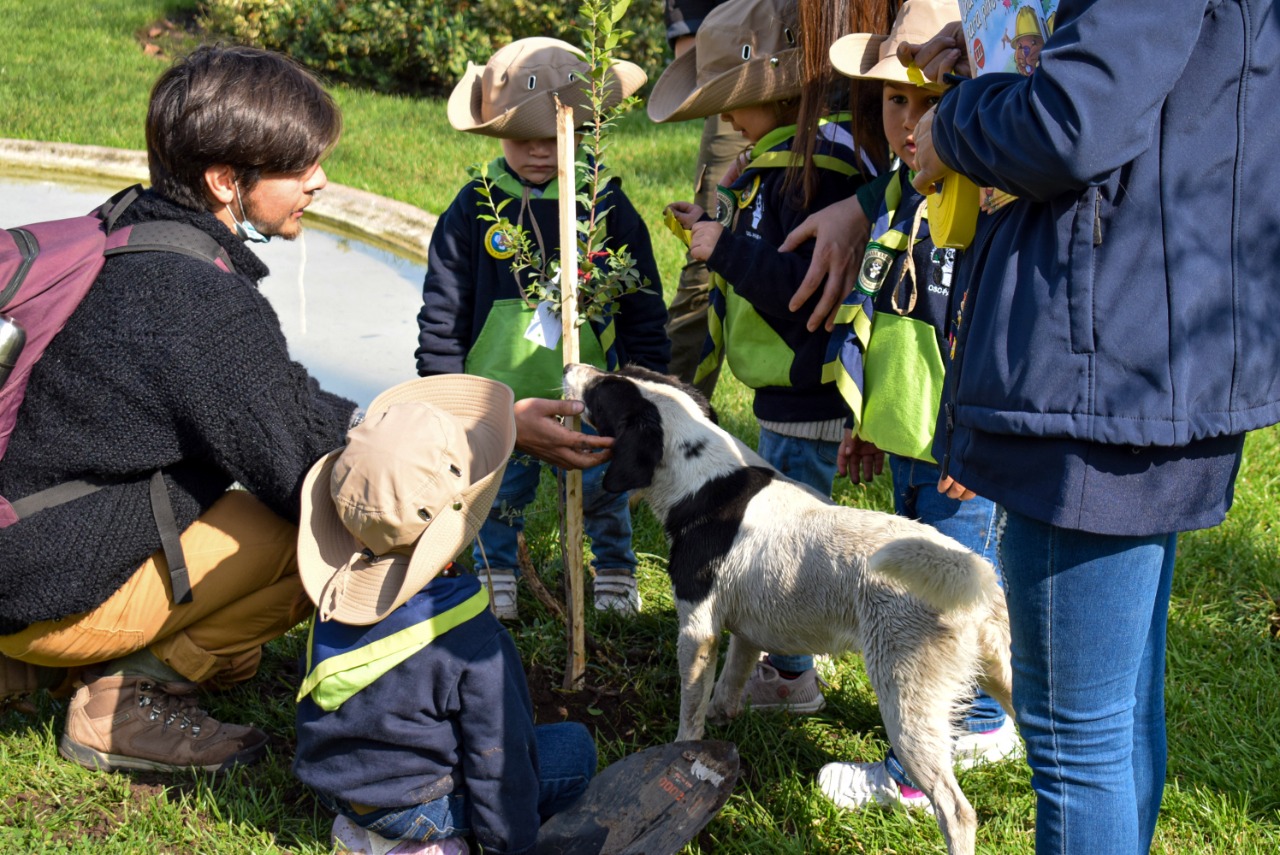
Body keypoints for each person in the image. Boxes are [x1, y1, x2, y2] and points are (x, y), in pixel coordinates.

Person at [0, 44, 614, 774]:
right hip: (42, 581)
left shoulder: (139, 226)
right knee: (320, 536)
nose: (320, 182)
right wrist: (477, 449)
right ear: (227, 180)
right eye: (301, 167)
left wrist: (492, 424)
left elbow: (281, 396)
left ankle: (36, 659)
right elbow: (321, 472)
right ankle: (124, 699)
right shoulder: (194, 304)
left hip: (30, 543)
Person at [898, 3, 1280, 852]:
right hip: (1143, 344)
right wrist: (1006, 50)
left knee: (1077, 739)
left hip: (1103, 359)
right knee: (1114, 715)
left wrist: (957, 119)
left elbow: (1075, 123)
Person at [811, 0, 1020, 814]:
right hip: (908, 437)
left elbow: (986, 336)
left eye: (932, 103)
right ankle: (980, 715)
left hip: (956, 448)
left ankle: (932, 753)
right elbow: (885, 309)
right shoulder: (905, 191)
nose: (911, 121)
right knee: (928, 585)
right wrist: (867, 420)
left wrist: (976, 439)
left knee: (944, 596)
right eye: (898, 101)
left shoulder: (982, 203)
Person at [651, 0, 866, 714]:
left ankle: (794, 670)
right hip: (783, 394)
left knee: (793, 542)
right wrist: (720, 222)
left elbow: (798, 291)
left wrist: (727, 250)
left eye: (732, 108)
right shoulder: (780, 168)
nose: (725, 123)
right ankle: (788, 664)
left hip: (807, 398)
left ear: (766, 96)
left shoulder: (809, 175)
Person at [419, 37, 671, 621]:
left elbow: (642, 302)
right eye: (522, 138)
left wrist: (649, 378)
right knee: (498, 495)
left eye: (552, 135)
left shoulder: (601, 207)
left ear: (582, 127)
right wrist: (443, 388)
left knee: (603, 490)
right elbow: (443, 306)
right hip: (499, 397)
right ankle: (495, 572)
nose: (538, 152)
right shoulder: (474, 207)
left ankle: (612, 570)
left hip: (591, 396)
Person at [293, 375, 596, 855]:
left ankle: (363, 831)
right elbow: (500, 765)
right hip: (413, 804)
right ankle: (432, 843)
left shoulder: (337, 592)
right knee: (574, 750)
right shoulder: (472, 640)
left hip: (338, 784)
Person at [662, 0, 741, 399]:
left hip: (847, 84)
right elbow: (689, 48)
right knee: (708, 263)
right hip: (746, 71)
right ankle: (667, 414)